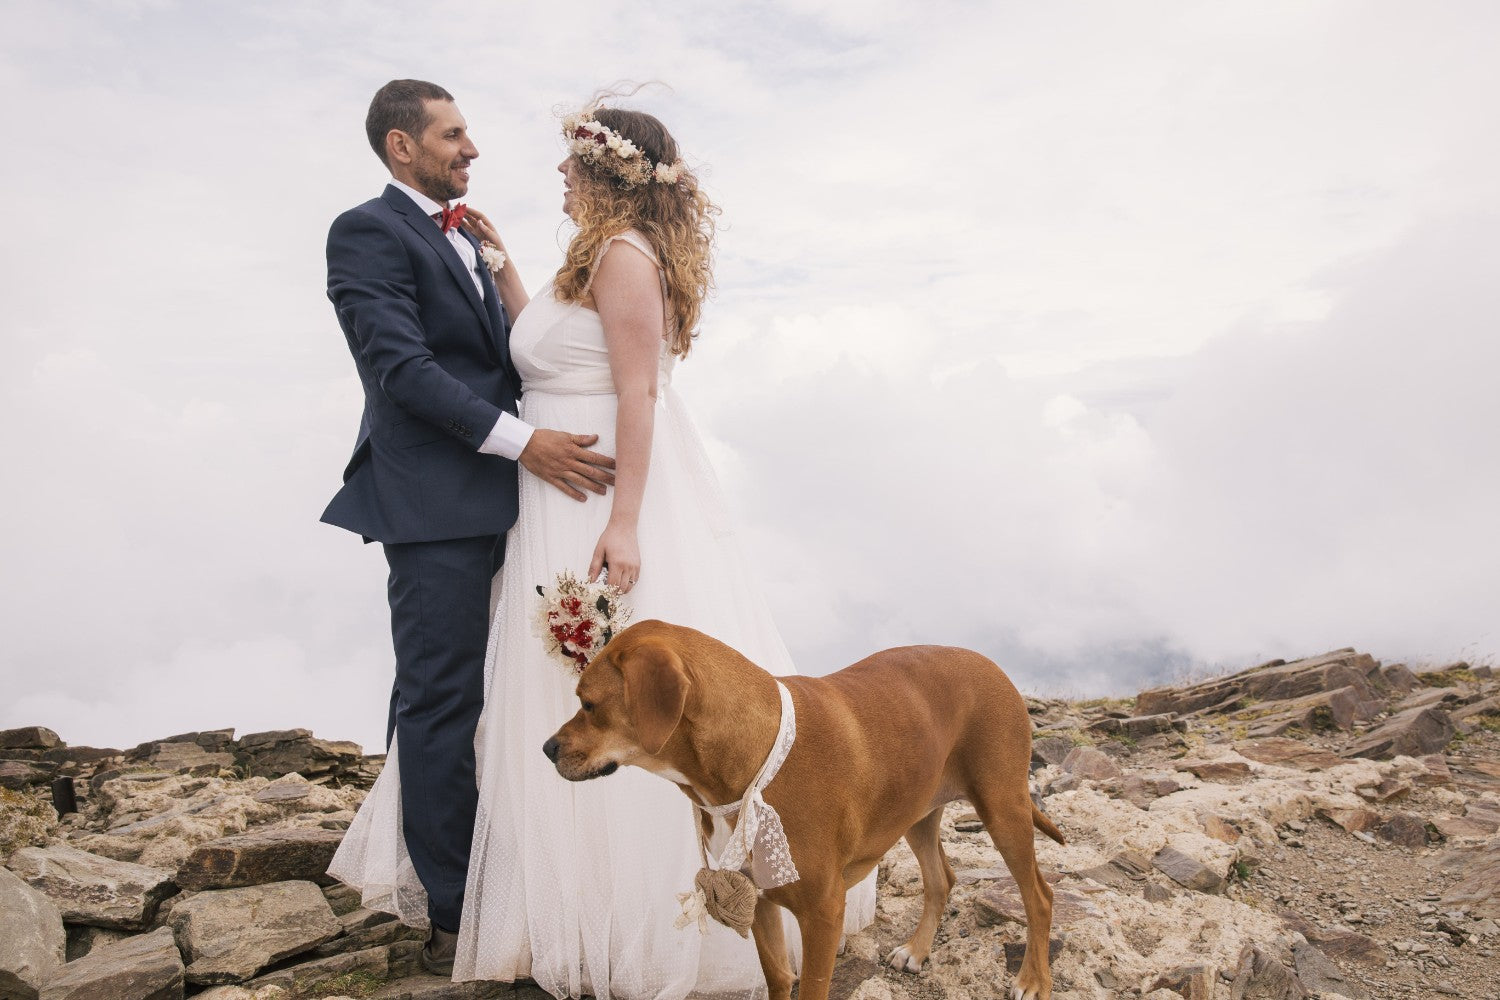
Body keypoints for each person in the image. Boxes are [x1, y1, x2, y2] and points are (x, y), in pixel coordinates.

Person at [332, 96, 876, 998]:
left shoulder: (626, 258)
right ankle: (550, 895)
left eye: (571, 163)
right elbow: (537, 347)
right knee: (552, 679)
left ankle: (640, 907)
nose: (556, 174)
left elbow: (637, 394)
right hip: (545, 492)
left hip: (591, 495)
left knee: (623, 680)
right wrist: (502, 267)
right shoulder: (585, 259)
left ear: (606, 173)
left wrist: (623, 521)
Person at [321, 79, 616, 974]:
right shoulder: (365, 231)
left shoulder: (462, 239)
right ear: (401, 147)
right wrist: (529, 445)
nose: (472, 149)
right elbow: (401, 371)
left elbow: (499, 360)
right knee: (442, 698)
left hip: (499, 504)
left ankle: (478, 869)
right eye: (453, 135)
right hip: (434, 506)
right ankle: (453, 911)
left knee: (475, 690)